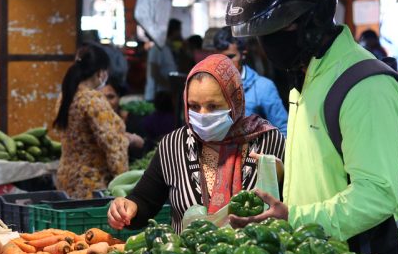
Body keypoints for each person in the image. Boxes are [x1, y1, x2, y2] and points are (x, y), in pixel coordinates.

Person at [225, 0, 398, 254]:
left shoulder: (365, 87)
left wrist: (294, 217)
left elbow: (375, 196)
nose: (268, 43)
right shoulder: (306, 78)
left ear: (313, 18)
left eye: (280, 29)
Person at [108, 54, 285, 232]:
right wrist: (127, 209)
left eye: (213, 106)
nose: (203, 115)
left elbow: (293, 206)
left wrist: (279, 176)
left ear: (235, 100)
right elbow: (145, 201)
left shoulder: (269, 142)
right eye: (193, 106)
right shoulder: (173, 146)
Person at [55, 45, 128, 199]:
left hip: (66, 179)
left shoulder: (66, 96)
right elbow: (112, 145)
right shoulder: (93, 100)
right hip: (91, 185)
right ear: (100, 72)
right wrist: (123, 182)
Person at [214, 26, 288, 134]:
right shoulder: (210, 85)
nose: (224, 63)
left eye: (230, 57)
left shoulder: (263, 87)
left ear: (243, 54)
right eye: (220, 58)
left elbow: (283, 129)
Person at [101, 80, 146, 160]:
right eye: (101, 97)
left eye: (111, 97)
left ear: (119, 98)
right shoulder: (94, 123)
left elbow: (142, 148)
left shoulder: (133, 120)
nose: (106, 102)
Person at [145, 19, 181, 102]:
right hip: (157, 95)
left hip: (165, 94)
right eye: (179, 30)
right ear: (174, 31)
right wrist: (170, 86)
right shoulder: (158, 48)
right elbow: (154, 73)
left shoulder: (167, 48)